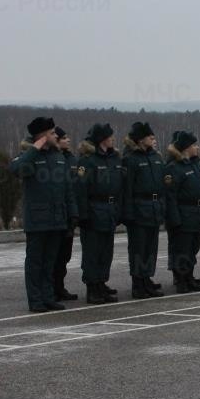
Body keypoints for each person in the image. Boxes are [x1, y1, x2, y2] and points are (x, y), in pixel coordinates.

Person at [10, 116, 78, 312]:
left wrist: (72, 214)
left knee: (50, 262)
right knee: (35, 263)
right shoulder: (28, 156)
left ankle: (48, 297)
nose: (56, 136)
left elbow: (67, 189)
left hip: (57, 218)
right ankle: (35, 300)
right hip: (38, 220)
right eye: (52, 133)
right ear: (41, 136)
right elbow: (16, 169)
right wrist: (35, 148)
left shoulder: (58, 157)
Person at [75, 123, 122, 304]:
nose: (113, 139)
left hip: (109, 211)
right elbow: (81, 190)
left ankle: (101, 283)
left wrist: (117, 210)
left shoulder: (113, 158)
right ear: (102, 139)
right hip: (94, 211)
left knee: (106, 251)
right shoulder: (88, 161)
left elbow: (119, 186)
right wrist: (83, 216)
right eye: (110, 136)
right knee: (92, 252)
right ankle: (92, 287)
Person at [122, 121, 166, 299]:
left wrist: (162, 207)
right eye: (150, 136)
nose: (153, 139)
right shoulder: (130, 159)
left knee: (150, 248)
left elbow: (162, 186)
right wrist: (128, 213)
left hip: (154, 208)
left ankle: (147, 278)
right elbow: (127, 189)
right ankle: (138, 283)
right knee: (138, 249)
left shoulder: (155, 157)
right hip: (139, 209)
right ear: (140, 139)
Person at [164, 130, 200, 293]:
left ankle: (189, 276)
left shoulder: (195, 164)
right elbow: (170, 196)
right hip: (184, 213)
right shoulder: (174, 167)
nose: (197, 148)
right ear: (186, 148)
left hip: (196, 213)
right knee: (182, 249)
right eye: (194, 145)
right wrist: (174, 218)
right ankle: (181, 279)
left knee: (193, 248)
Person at [52, 127, 79, 302]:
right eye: (64, 138)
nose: (68, 140)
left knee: (65, 255)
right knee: (53, 255)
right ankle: (51, 288)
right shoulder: (54, 158)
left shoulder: (71, 159)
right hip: (57, 212)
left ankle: (59, 287)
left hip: (70, 212)